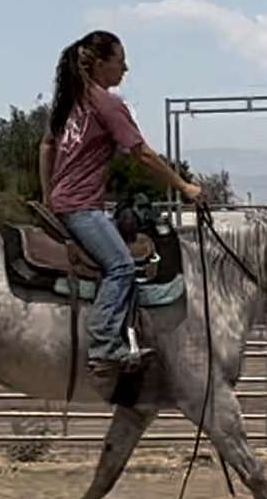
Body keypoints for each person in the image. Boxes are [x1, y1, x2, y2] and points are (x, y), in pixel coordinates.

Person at [39, 30, 202, 374]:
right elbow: (142, 154)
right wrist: (184, 186)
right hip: (82, 207)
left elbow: (47, 147)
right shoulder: (108, 104)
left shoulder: (70, 102)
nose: (125, 69)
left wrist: (47, 194)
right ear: (100, 64)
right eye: (120, 61)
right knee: (122, 266)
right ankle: (104, 345)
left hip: (65, 203)